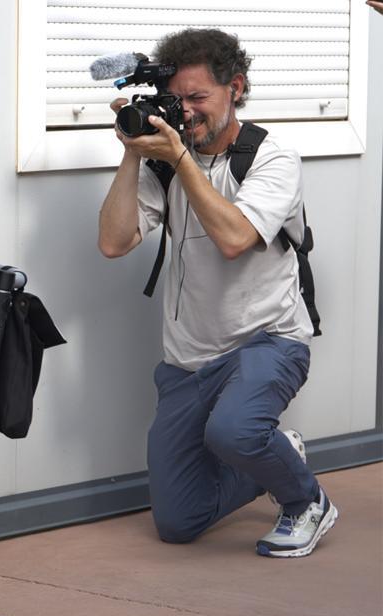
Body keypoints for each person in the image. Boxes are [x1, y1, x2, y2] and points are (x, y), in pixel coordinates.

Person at [97, 28, 335, 556]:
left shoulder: (272, 158)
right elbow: (113, 242)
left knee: (233, 431)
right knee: (178, 522)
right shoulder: (166, 163)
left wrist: (180, 160)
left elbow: (234, 239)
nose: (185, 111)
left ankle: (306, 501)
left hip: (268, 341)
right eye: (175, 99)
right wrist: (133, 154)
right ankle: (278, 455)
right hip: (189, 361)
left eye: (197, 97)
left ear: (236, 88)